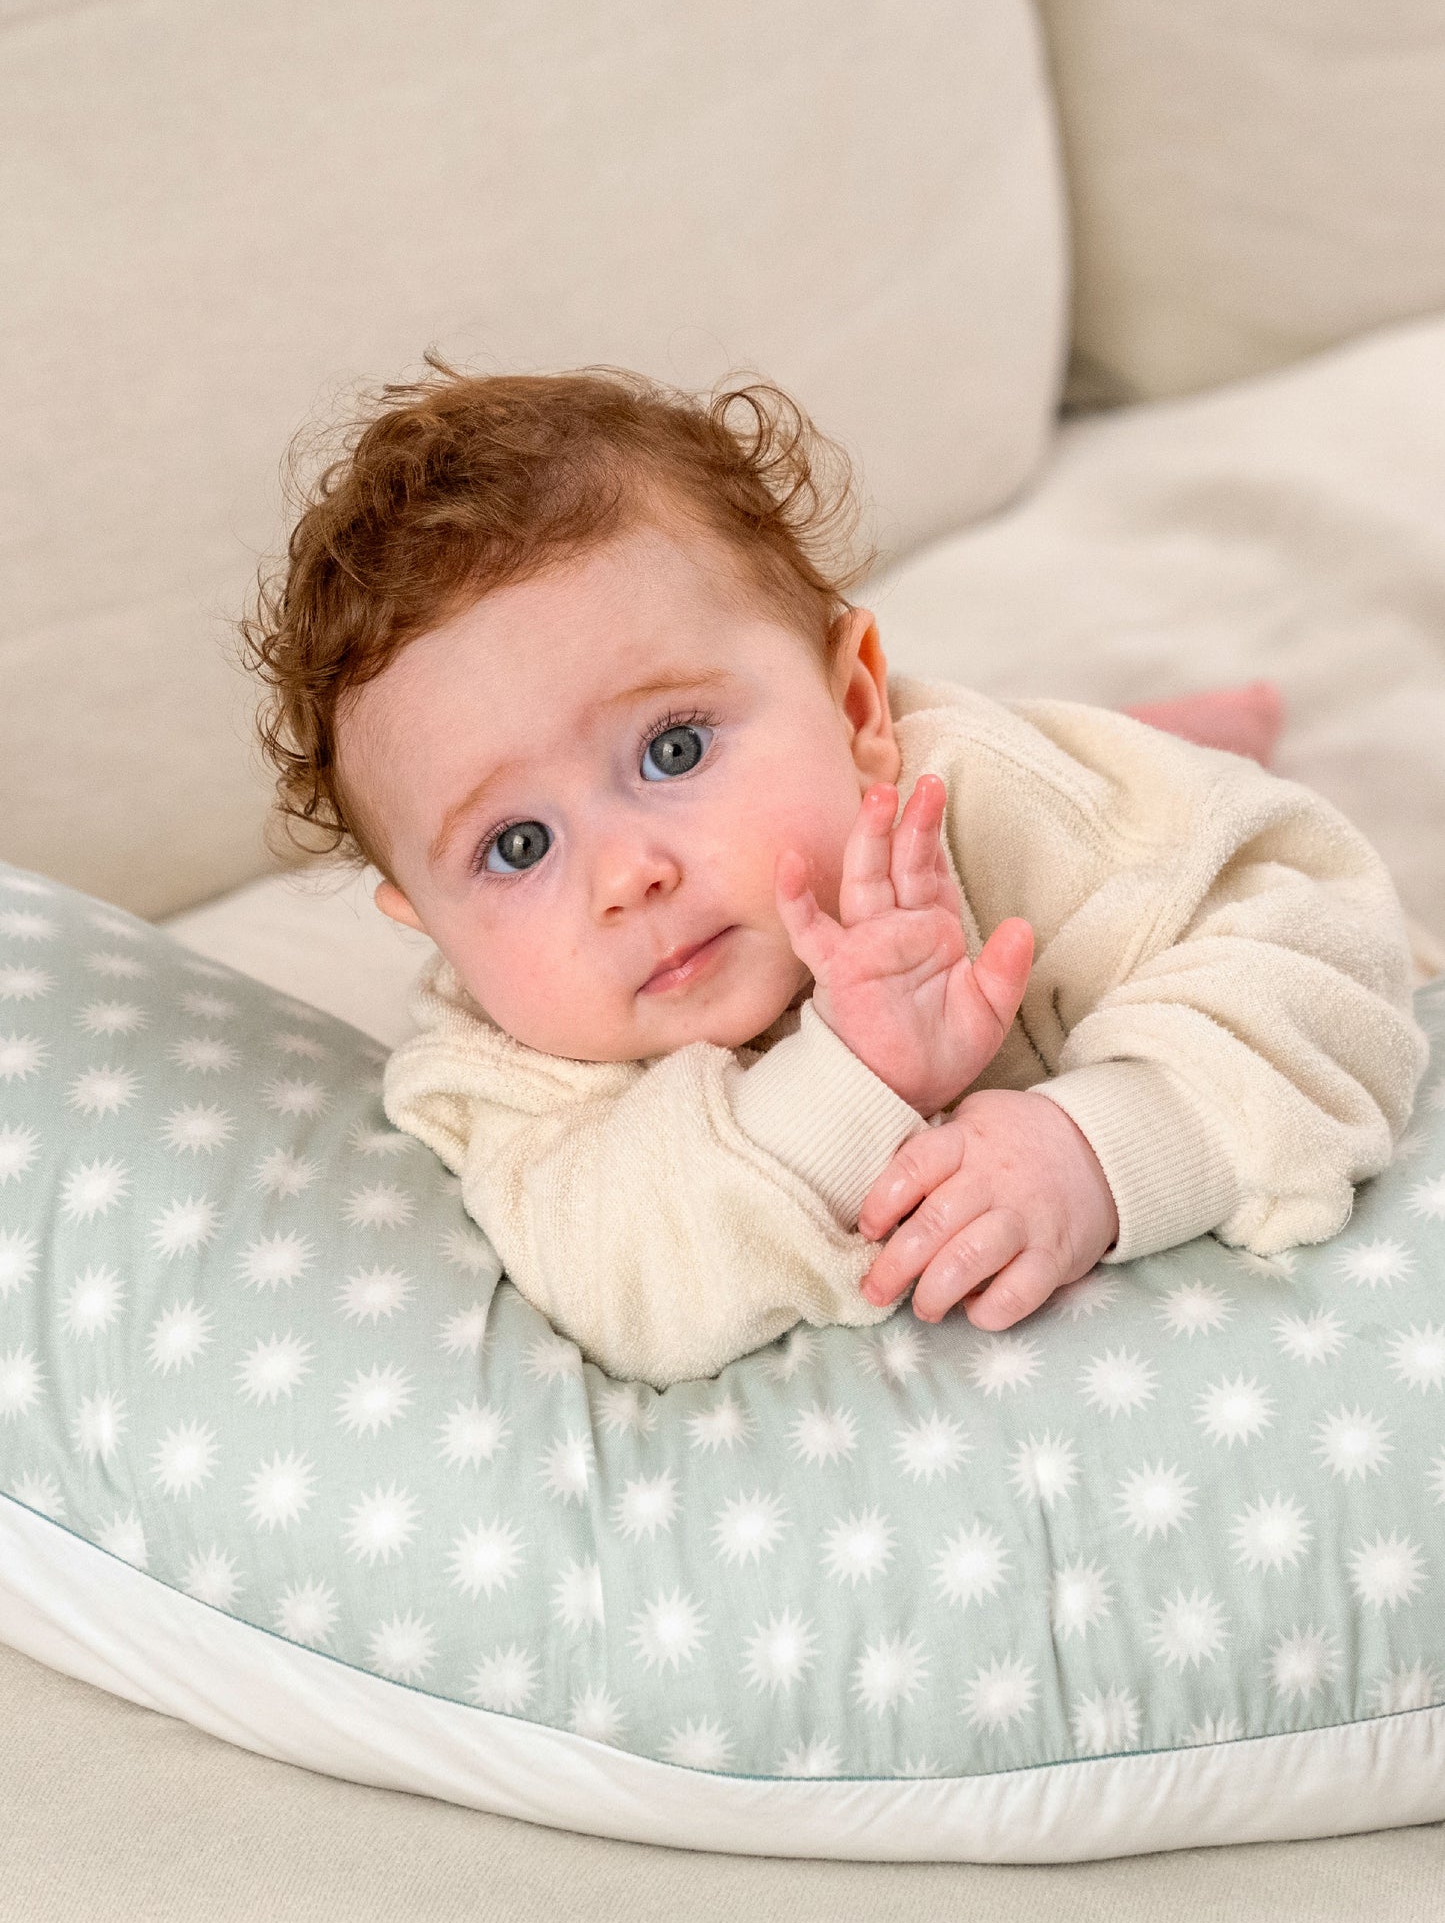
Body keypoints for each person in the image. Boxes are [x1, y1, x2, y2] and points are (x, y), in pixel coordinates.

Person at [240, 361, 1430, 1388]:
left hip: (1011, 791)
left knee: (1140, 811)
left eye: (672, 748)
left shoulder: (977, 808)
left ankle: (1154, 738)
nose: (626, 874)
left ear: (855, 701)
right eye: (516, 846)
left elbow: (1324, 939)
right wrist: (852, 1079)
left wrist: (1109, 1142)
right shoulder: (503, 1063)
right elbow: (618, 1276)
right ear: (434, 929)